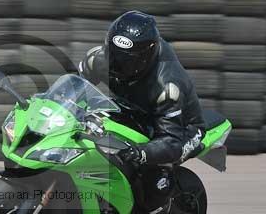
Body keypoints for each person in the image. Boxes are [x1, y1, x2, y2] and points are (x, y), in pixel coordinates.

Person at [78, 10, 206, 178]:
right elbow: (76, 88)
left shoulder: (167, 87)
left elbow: (171, 140)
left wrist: (140, 152)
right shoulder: (98, 60)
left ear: (146, 58)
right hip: (133, 107)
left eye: (126, 61)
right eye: (114, 56)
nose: (117, 65)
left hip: (181, 127)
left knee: (149, 170)